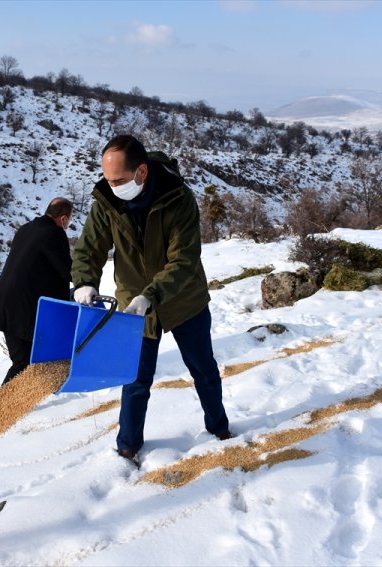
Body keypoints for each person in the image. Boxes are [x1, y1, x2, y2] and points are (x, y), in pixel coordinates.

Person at [71, 135, 231, 462]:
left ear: (141, 172)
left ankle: (220, 430)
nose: (111, 186)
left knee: (204, 370)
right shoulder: (107, 201)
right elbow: (89, 249)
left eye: (118, 180)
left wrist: (152, 294)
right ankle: (127, 446)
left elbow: (184, 260)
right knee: (135, 379)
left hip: (184, 299)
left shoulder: (178, 198)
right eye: (107, 179)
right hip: (134, 306)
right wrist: (84, 282)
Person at [0, 197, 73, 385]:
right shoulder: (54, 233)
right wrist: (84, 281)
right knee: (24, 363)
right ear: (64, 218)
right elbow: (66, 269)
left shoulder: (26, 229)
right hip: (24, 307)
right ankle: (4, 403)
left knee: (22, 361)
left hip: (4, 301)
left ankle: (15, 399)